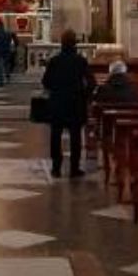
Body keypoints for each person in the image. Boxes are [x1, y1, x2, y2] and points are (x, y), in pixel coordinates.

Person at [42, 29, 94, 178]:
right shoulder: (80, 61)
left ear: (62, 44)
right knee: (75, 136)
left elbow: (46, 81)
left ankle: (56, 168)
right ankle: (74, 168)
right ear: (75, 44)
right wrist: (85, 95)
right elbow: (91, 82)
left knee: (55, 135)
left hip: (58, 102)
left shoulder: (54, 61)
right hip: (76, 102)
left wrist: (55, 90)